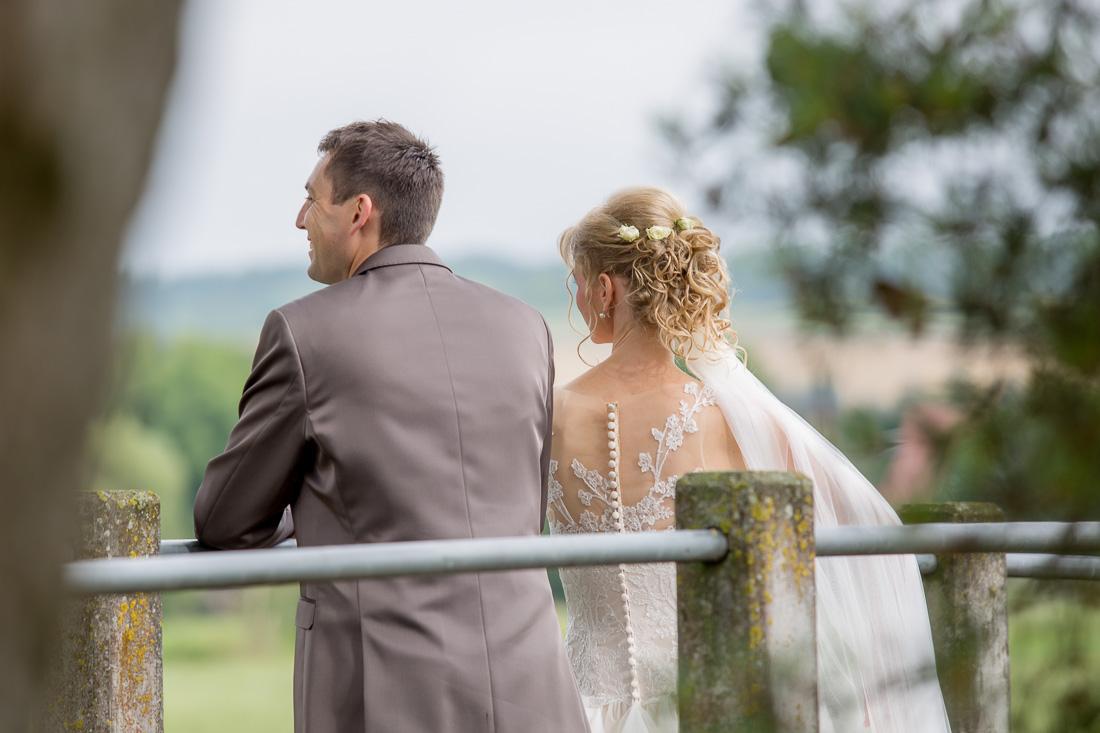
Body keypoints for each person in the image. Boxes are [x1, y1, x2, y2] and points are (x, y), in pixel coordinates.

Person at [193, 120, 588, 733]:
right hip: (532, 686)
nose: (300, 219)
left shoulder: (302, 333)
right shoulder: (525, 327)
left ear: (359, 212)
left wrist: (313, 509)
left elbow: (224, 520)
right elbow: (521, 502)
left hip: (382, 691)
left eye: (311, 198)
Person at [548, 186, 951, 732]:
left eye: (577, 282)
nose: (577, 298)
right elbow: (854, 527)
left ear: (603, 288)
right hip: (707, 705)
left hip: (577, 709)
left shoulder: (550, 412)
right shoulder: (729, 417)